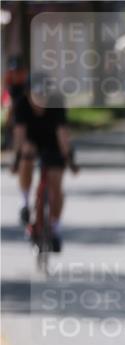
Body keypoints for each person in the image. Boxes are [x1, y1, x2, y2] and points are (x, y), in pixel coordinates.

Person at [10, 76, 78, 251]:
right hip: (32, 141)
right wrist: (17, 159)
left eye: (44, 95)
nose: (41, 100)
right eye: (37, 95)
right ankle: (25, 203)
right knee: (26, 153)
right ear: (28, 94)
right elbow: (19, 135)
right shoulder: (21, 105)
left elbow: (62, 134)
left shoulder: (56, 103)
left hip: (53, 143)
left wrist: (70, 160)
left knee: (56, 185)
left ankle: (54, 228)